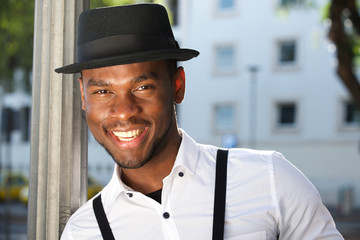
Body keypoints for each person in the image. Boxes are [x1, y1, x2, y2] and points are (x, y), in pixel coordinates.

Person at [55, 3, 343, 240]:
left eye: (143, 87)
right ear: (83, 96)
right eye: (103, 91)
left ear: (177, 86)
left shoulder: (271, 179)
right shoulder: (83, 231)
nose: (123, 111)